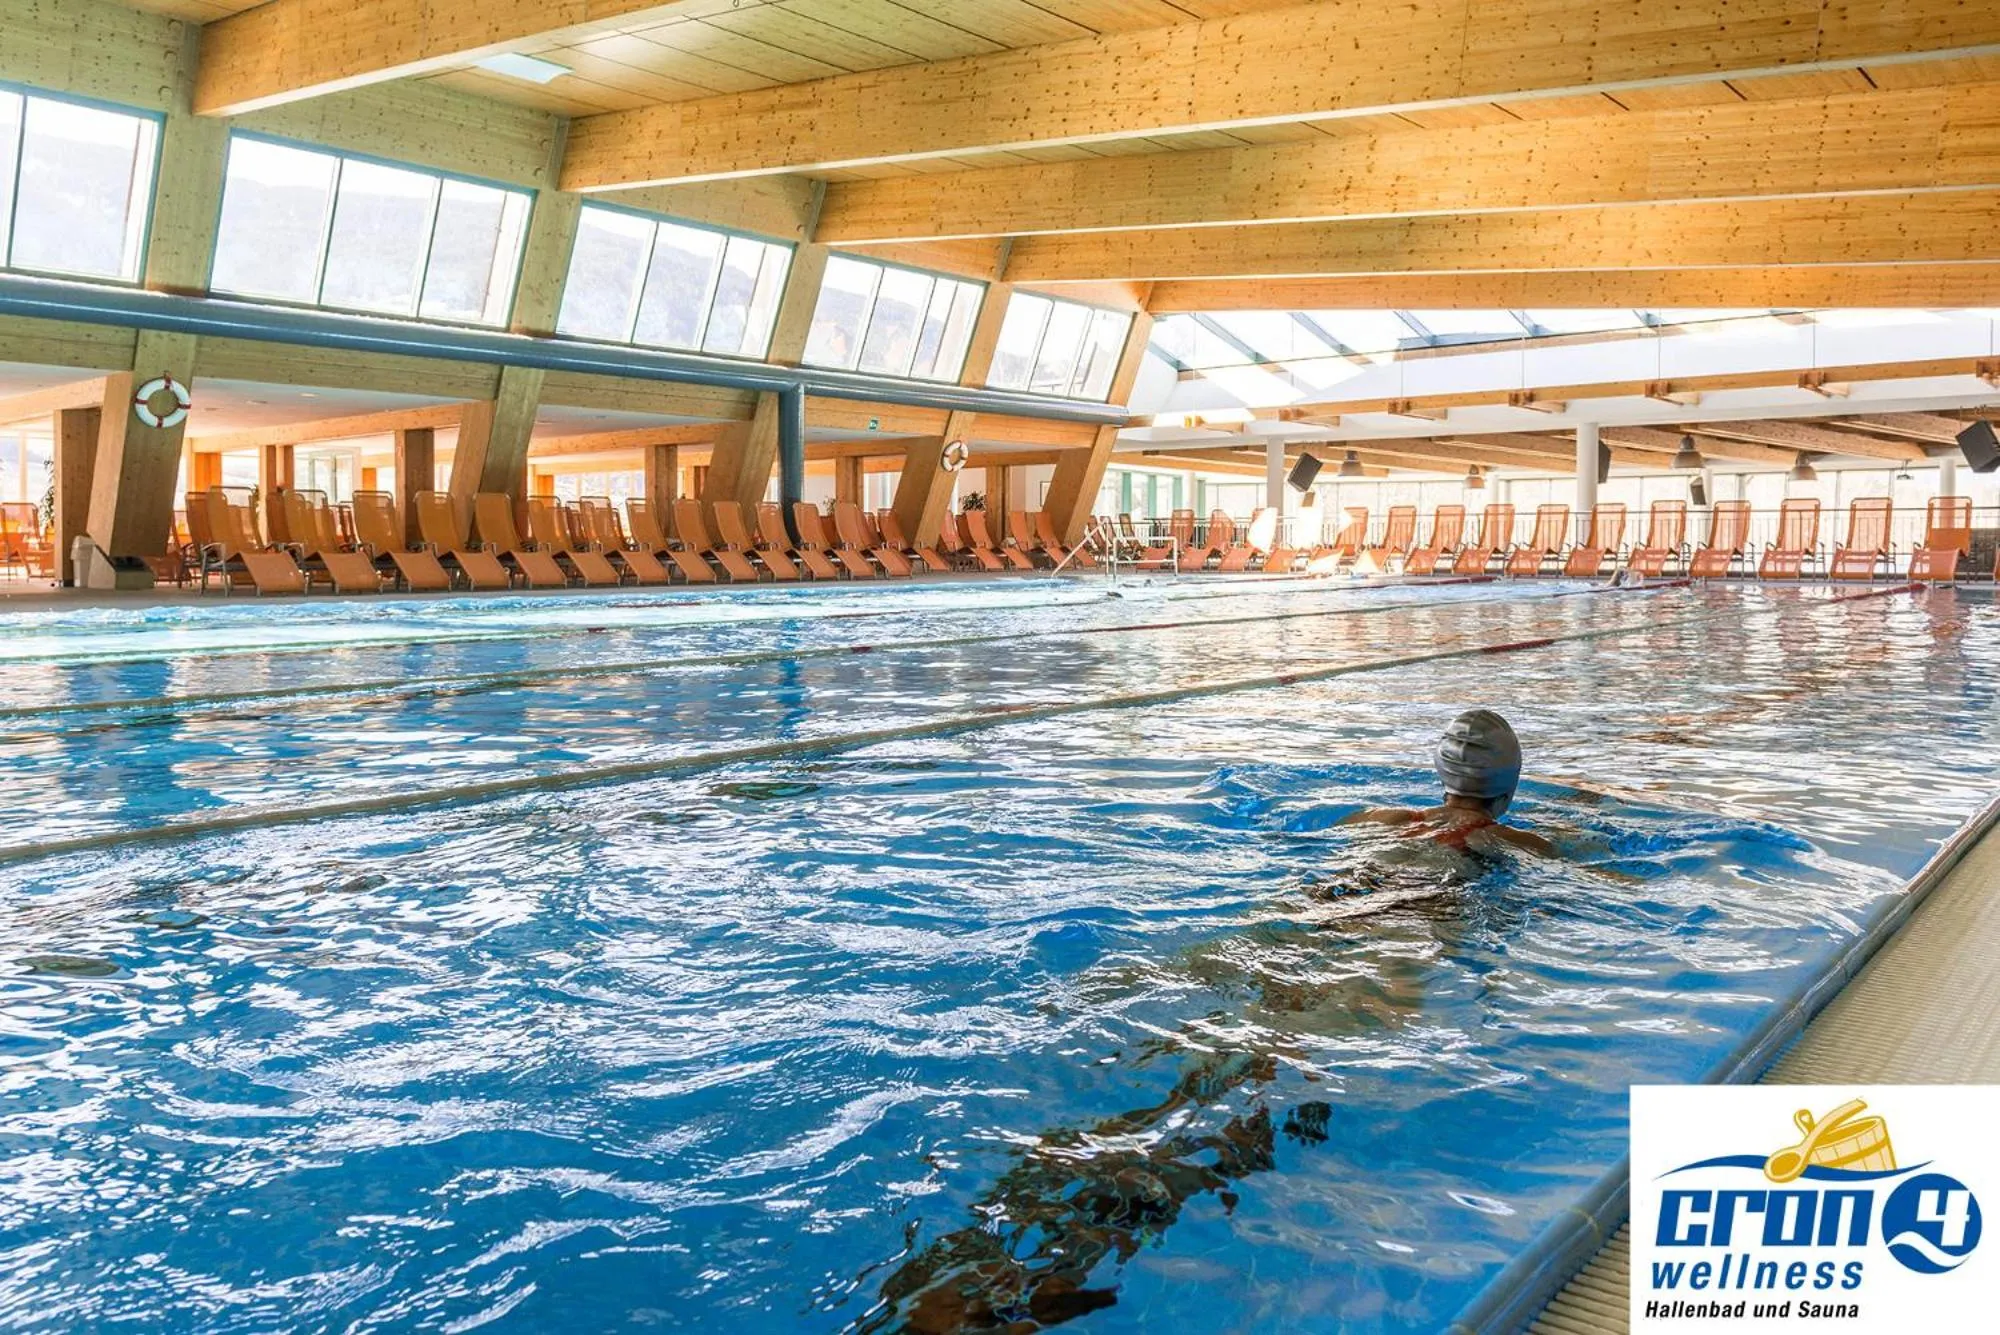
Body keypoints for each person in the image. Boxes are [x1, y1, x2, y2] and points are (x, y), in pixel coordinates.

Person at [1343, 708, 1556, 856]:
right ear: (1508, 788)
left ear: (1442, 772)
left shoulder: (1380, 818)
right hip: (1438, 899)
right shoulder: (1515, 841)